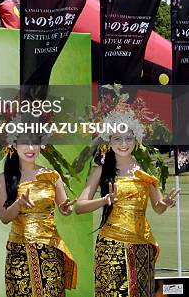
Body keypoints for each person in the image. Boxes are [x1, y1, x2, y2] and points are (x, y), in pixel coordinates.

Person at [75, 109, 180, 297]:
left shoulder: (144, 171)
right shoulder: (100, 171)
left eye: (128, 139)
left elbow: (158, 208)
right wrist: (104, 200)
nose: (123, 144)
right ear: (109, 141)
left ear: (136, 140)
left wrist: (165, 202)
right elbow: (80, 206)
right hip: (110, 246)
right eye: (117, 139)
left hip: (142, 246)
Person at [0, 136, 76, 297]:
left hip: (50, 251)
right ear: (14, 145)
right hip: (19, 253)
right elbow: (4, 217)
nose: (30, 148)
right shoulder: (3, 179)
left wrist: (67, 208)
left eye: (35, 143)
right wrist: (18, 203)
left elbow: (64, 208)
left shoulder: (52, 176)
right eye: (25, 143)